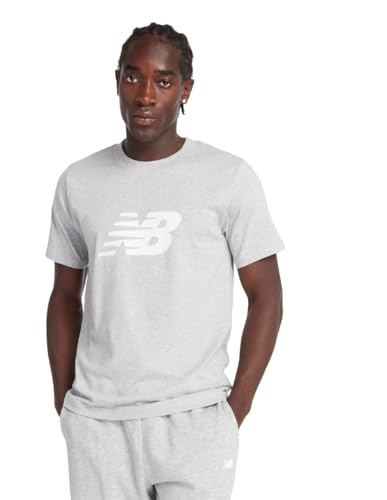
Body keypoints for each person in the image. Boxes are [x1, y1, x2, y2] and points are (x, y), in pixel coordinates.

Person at [45, 22, 284, 500]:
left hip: (195, 419)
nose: (145, 95)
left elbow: (267, 297)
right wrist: (65, 403)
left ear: (186, 90)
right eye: (133, 77)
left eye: (164, 80)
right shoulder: (79, 181)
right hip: (97, 421)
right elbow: (65, 297)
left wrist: (235, 409)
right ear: (117, 81)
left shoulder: (228, 177)